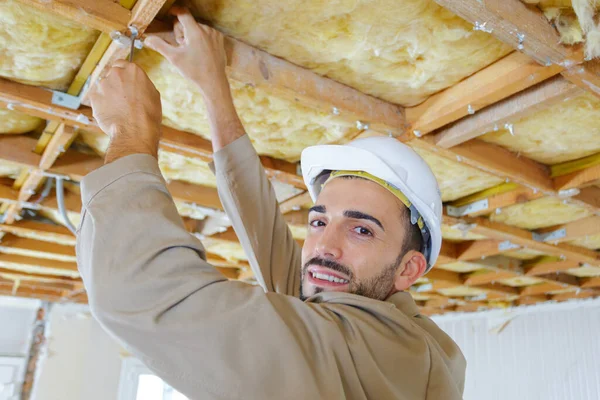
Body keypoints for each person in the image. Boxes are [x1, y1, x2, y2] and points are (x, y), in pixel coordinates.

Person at [79, 7, 465, 399]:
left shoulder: (383, 353)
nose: (323, 248)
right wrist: (214, 88)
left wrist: (131, 130)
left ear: (408, 269)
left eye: (362, 229)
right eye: (318, 222)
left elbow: (136, 291)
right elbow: (269, 240)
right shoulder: (377, 323)